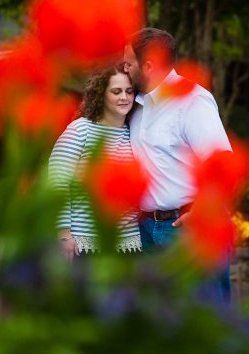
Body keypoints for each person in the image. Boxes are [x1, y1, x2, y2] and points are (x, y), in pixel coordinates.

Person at [123, 27, 232, 300]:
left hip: (186, 229)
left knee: (207, 319)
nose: (124, 68)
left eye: (128, 62)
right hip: (145, 231)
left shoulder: (192, 100)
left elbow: (222, 162)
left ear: (147, 65)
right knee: (164, 325)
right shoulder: (136, 106)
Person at [50, 63, 142, 259]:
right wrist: (64, 234)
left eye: (129, 91)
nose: (124, 97)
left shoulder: (133, 132)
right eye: (116, 92)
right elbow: (58, 182)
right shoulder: (80, 130)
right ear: (101, 95)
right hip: (83, 243)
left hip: (128, 243)